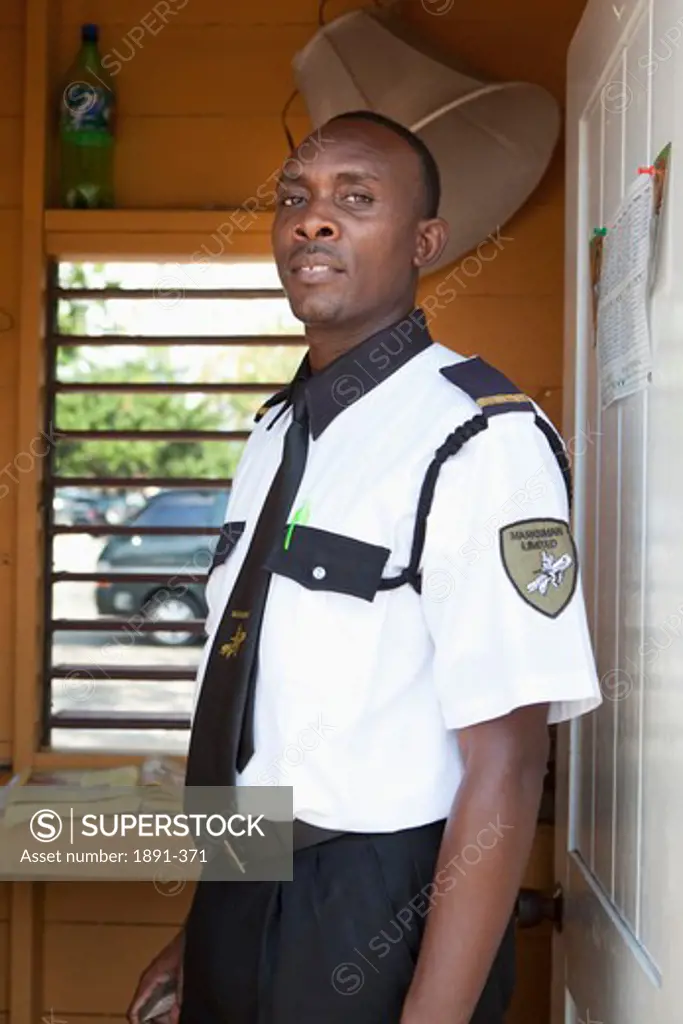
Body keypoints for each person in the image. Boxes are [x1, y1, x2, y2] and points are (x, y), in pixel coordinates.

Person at [127, 111, 602, 1024]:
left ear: (425, 241)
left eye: (355, 198)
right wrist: (200, 934)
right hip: (244, 878)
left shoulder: (477, 437)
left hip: (378, 901)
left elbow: (505, 760)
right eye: (293, 200)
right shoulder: (274, 434)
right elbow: (255, 720)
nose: (313, 220)